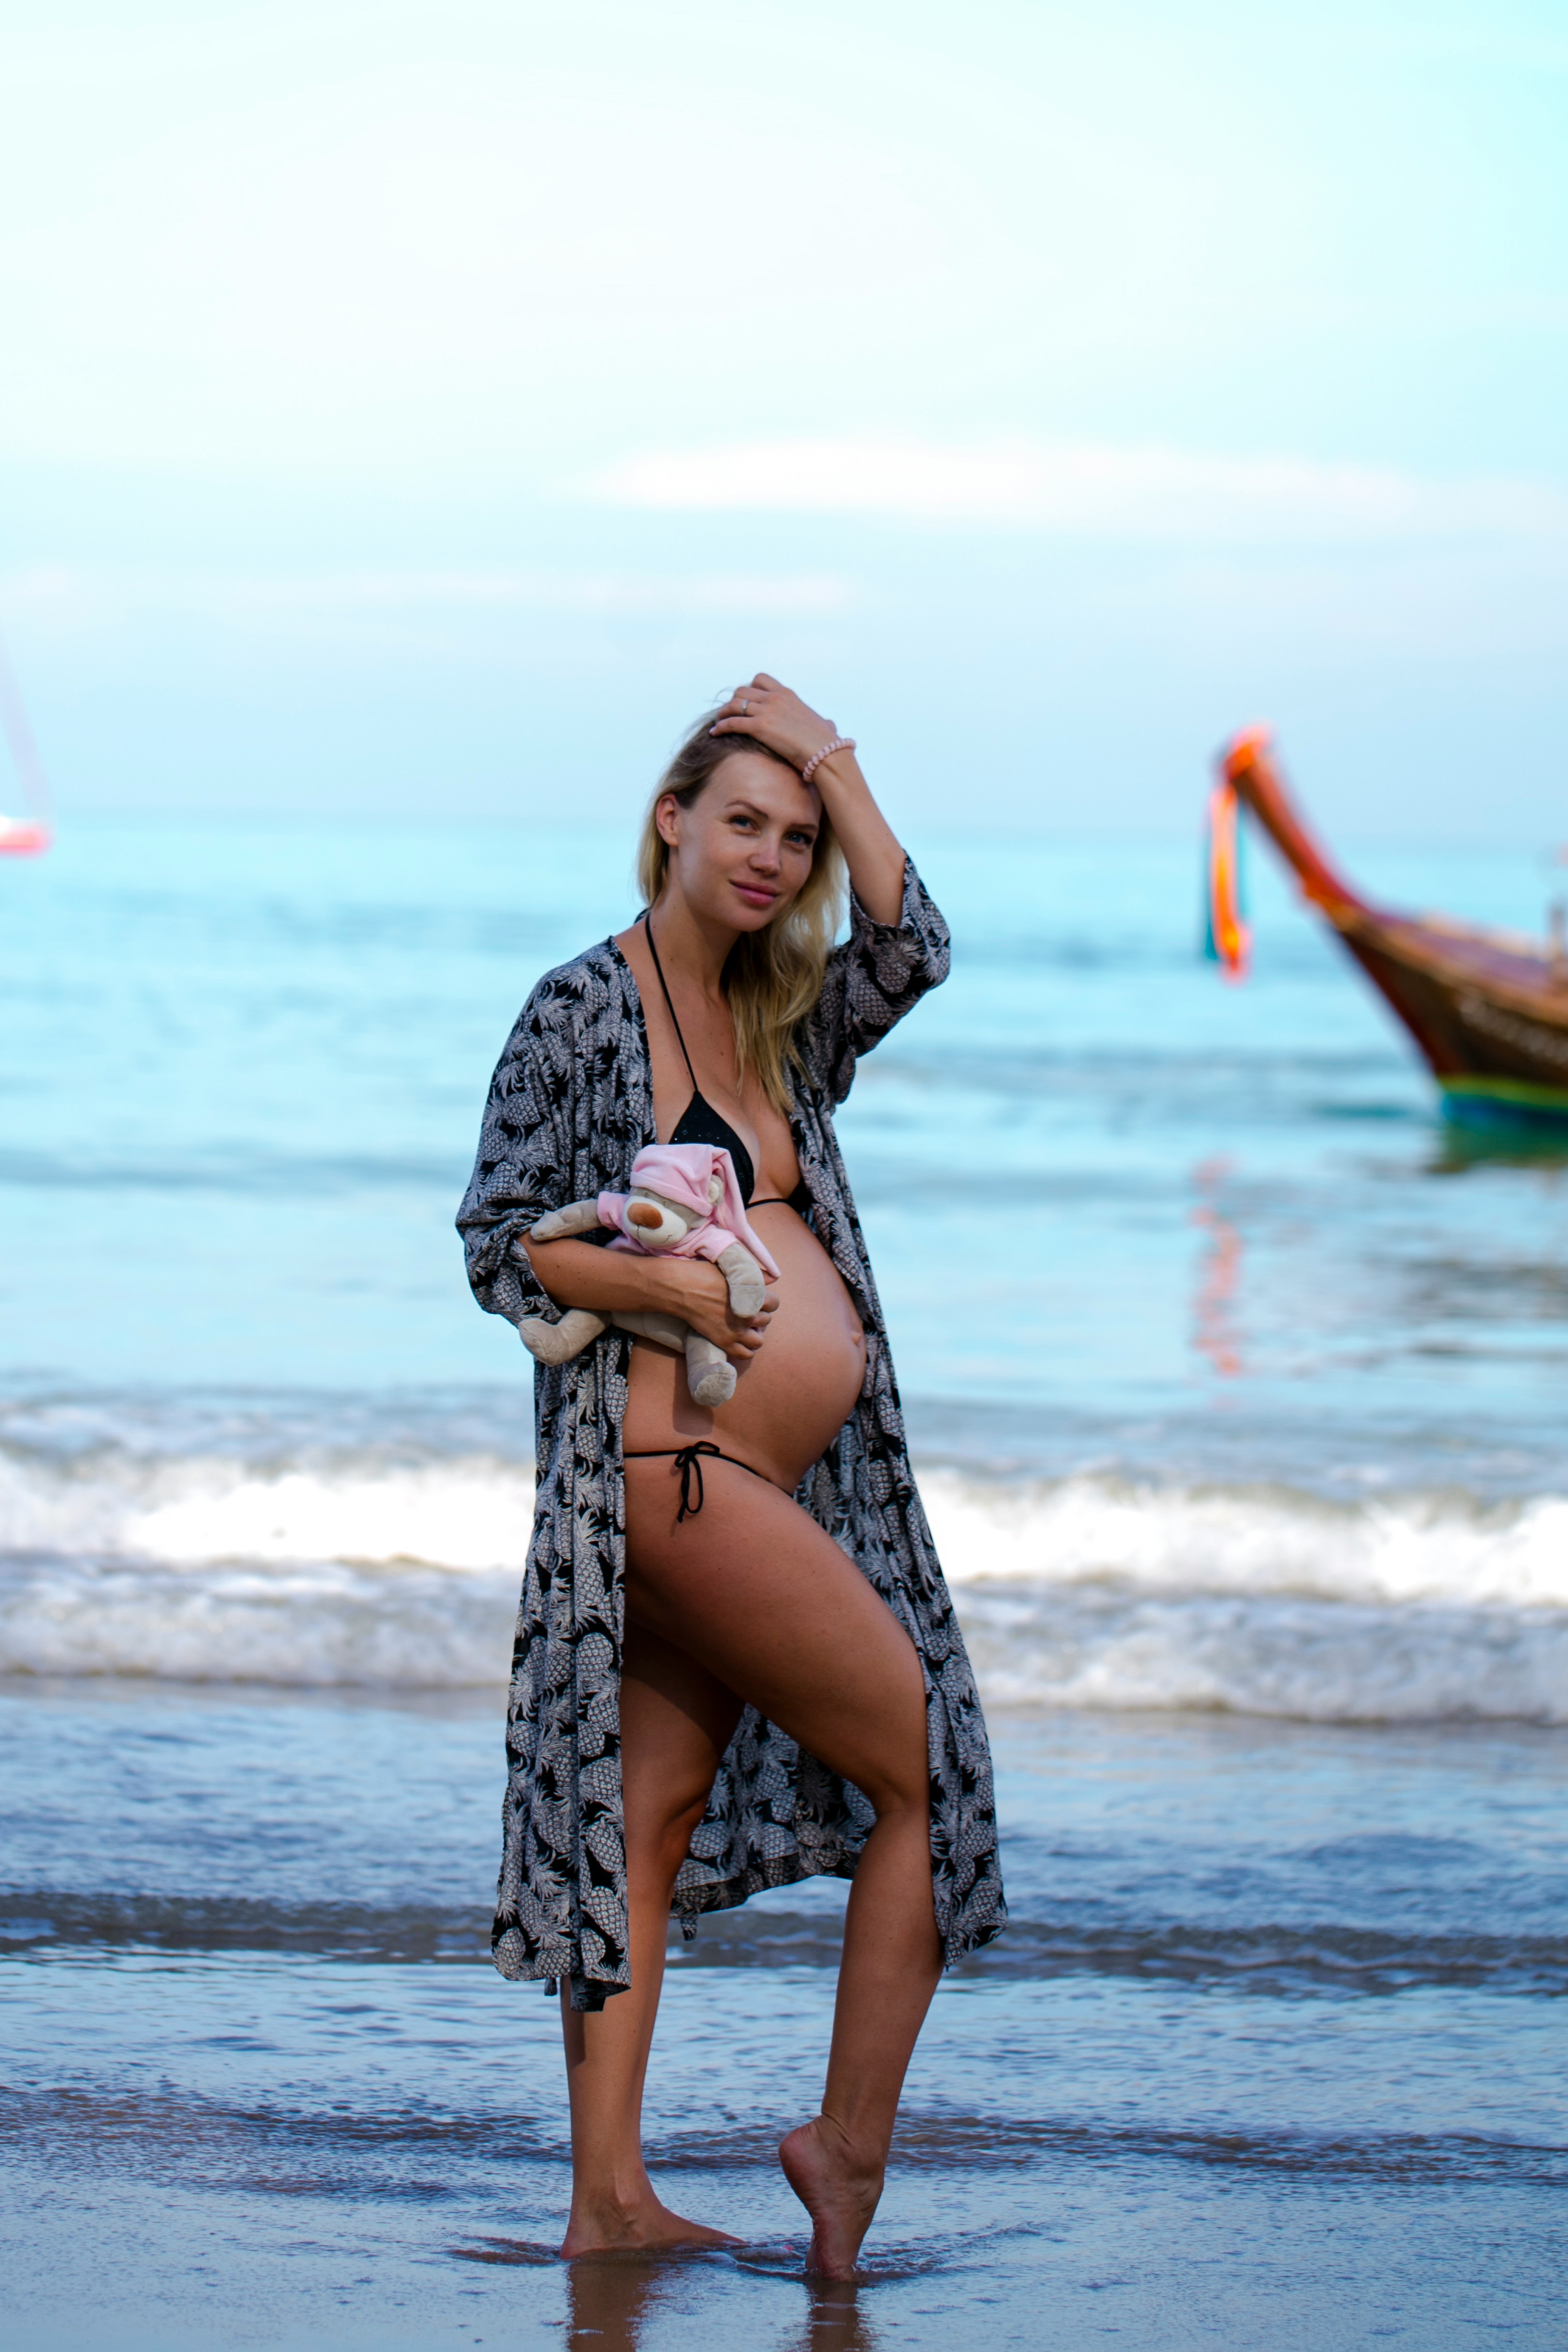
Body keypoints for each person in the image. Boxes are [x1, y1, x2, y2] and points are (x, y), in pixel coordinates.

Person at [458, 675, 1005, 2278]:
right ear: (672, 821)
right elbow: (500, 1242)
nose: (772, 856)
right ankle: (844, 2150)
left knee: (652, 1810)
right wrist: (667, 1293)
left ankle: (608, 2199)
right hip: (666, 1478)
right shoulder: (579, 1008)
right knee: (925, 1760)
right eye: (745, 820)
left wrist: (838, 754)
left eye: (799, 834)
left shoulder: (786, 1018)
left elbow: (919, 946)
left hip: (752, 1486)